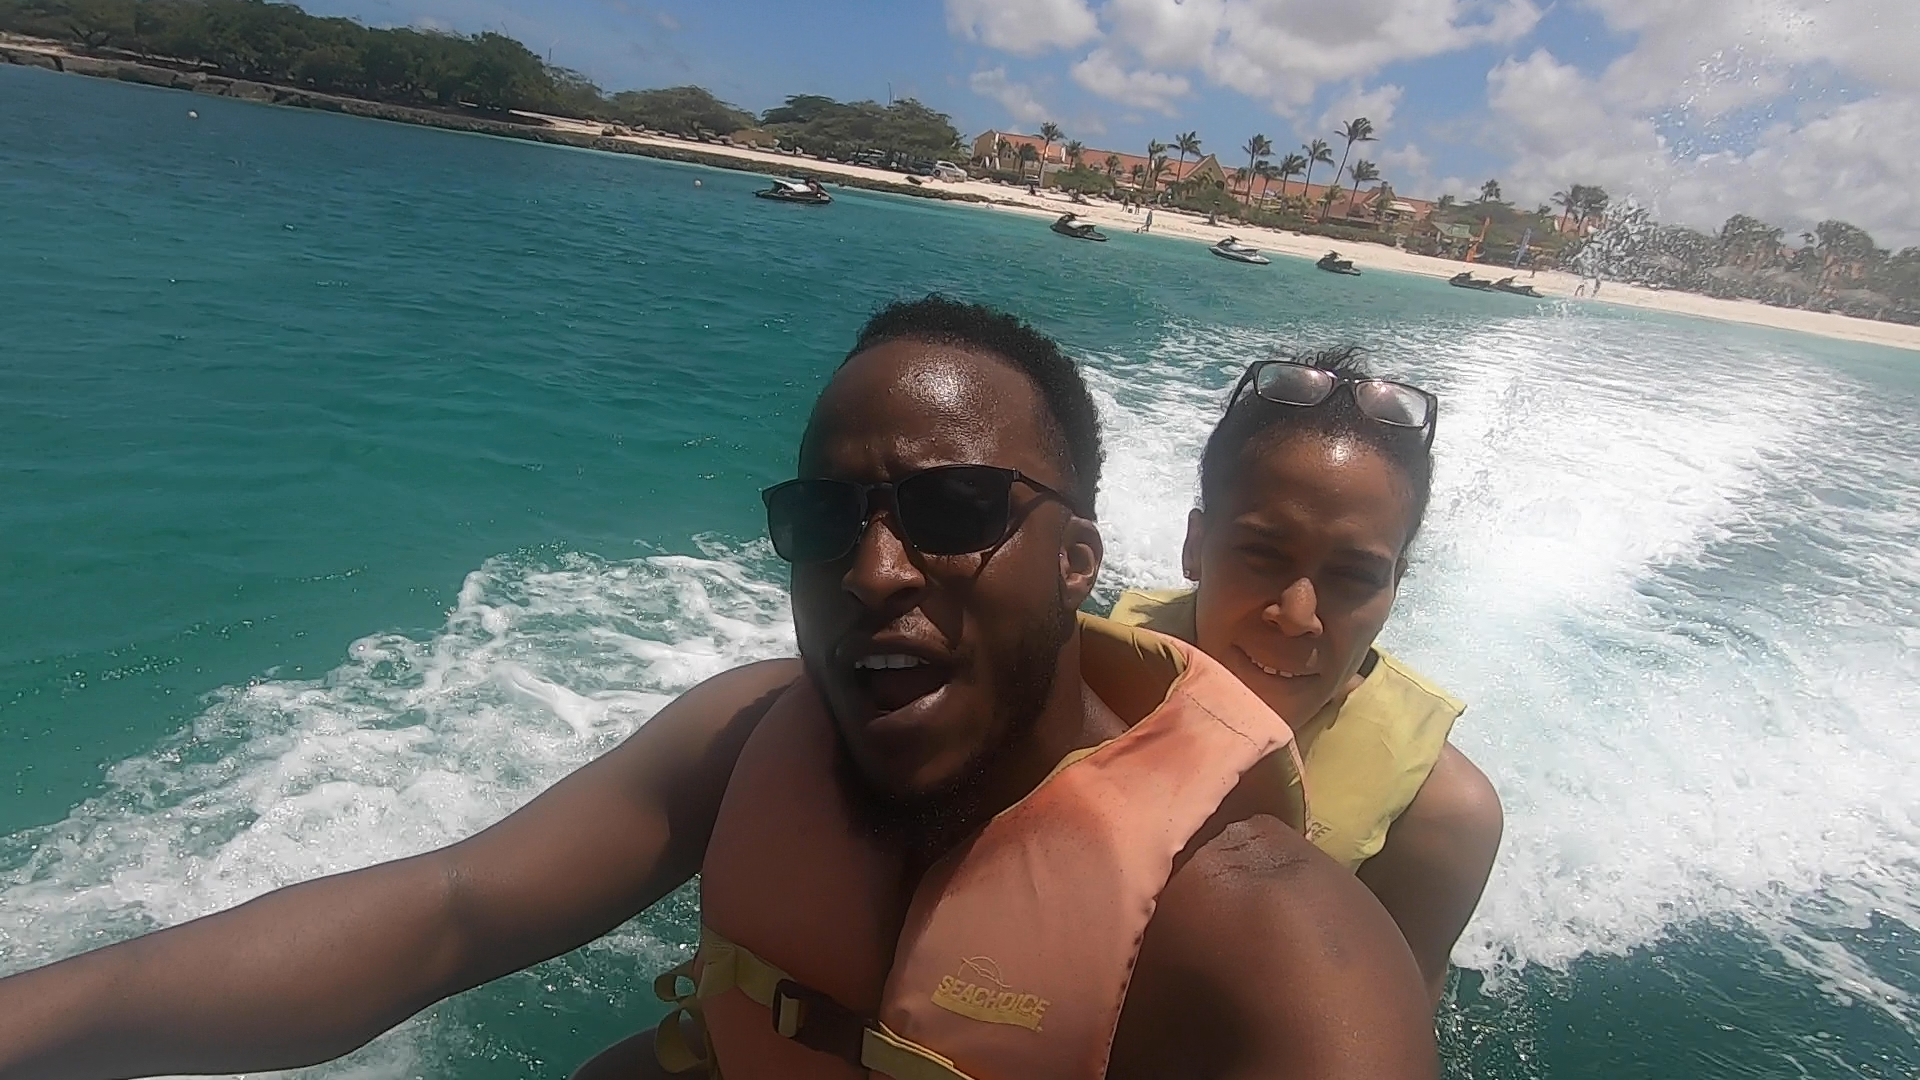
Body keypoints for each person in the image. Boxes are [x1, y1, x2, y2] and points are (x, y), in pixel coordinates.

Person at [0, 299, 1436, 1080]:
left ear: (1078, 561)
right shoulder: (754, 735)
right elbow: (447, 913)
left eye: (954, 511)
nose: (875, 568)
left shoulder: (1259, 935)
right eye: (826, 520)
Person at [1108, 348, 1502, 1006]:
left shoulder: (1441, 818)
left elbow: (1382, 1029)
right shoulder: (1084, 671)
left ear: (1395, 586)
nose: (1296, 616)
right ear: (1195, 546)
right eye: (1263, 554)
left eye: (1353, 576)